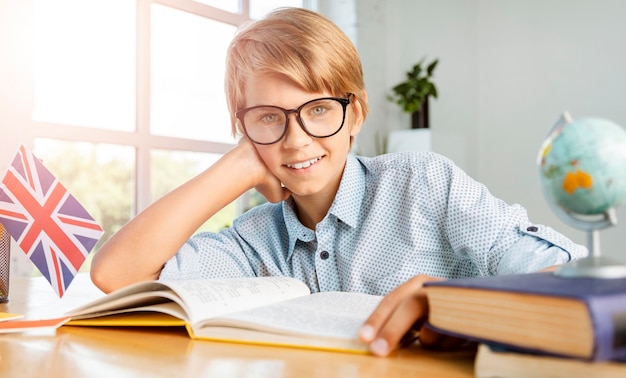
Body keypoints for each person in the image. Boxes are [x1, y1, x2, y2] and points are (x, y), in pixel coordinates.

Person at [90, 7, 587, 357]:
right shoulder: (255, 238)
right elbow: (117, 273)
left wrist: (453, 300)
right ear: (242, 127)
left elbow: (579, 279)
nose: (297, 140)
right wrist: (239, 165)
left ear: (356, 115)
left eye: (320, 109)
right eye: (268, 118)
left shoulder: (424, 183)